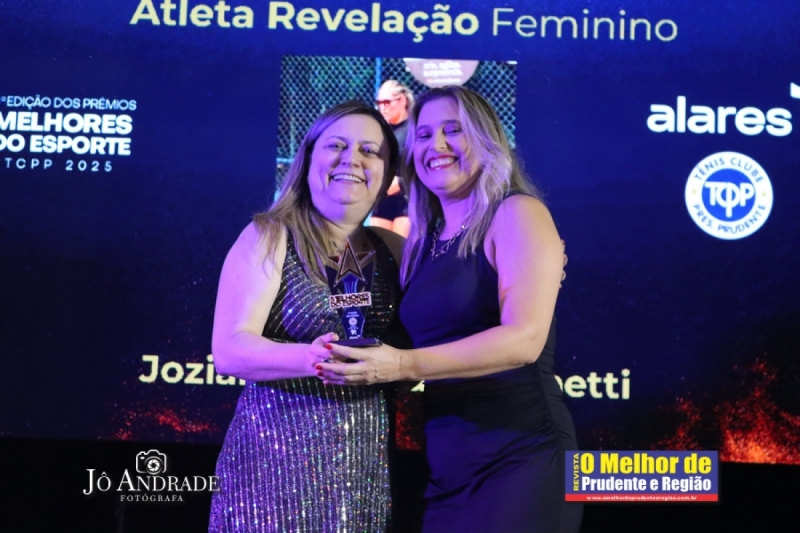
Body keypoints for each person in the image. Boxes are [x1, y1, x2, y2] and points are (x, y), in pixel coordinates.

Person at [317, 86, 582, 533]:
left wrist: (400, 364)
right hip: (447, 467)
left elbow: (524, 341)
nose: (435, 145)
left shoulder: (517, 212)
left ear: (486, 140)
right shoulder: (423, 244)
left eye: (453, 130)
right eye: (423, 135)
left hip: (521, 456)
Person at [208, 101, 406, 532]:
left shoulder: (395, 250)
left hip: (363, 477)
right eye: (336, 145)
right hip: (270, 477)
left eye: (369, 150)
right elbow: (229, 350)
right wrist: (310, 358)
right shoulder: (269, 235)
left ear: (388, 173)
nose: (351, 159)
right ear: (309, 158)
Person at [371, 80, 414, 236]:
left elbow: (424, 169)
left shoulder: (415, 130)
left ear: (402, 100)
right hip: (382, 202)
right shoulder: (379, 131)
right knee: (379, 248)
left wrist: (401, 183)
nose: (382, 107)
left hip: (407, 201)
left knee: (399, 248)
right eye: (379, 103)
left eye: (387, 102)